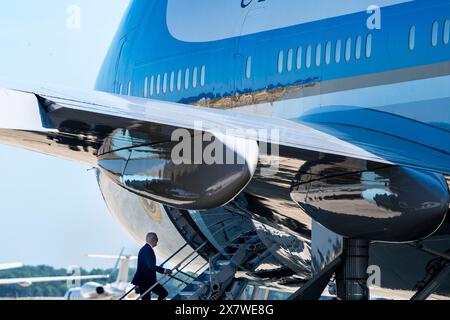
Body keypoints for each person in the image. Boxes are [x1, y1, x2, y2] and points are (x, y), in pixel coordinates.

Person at [132, 232, 172, 300]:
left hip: (144, 280)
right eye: (156, 239)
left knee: (161, 294)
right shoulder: (148, 250)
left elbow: (148, 265)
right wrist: (164, 270)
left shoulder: (144, 249)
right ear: (152, 239)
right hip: (147, 281)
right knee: (164, 293)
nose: (157, 241)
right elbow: (151, 266)